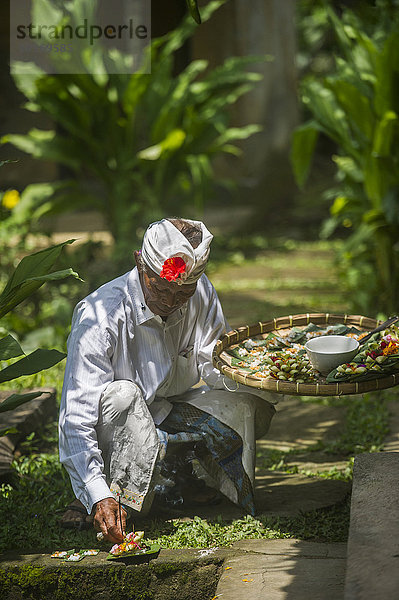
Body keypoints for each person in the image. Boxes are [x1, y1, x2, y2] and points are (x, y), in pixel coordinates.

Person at [59, 218, 277, 543]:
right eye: (160, 287)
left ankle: (176, 476)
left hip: (166, 408)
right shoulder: (99, 317)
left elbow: (213, 364)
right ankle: (109, 495)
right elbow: (76, 420)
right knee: (122, 396)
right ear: (138, 261)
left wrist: (259, 371)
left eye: (182, 293)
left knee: (247, 403)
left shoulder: (200, 292)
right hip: (116, 419)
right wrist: (96, 491)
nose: (170, 301)